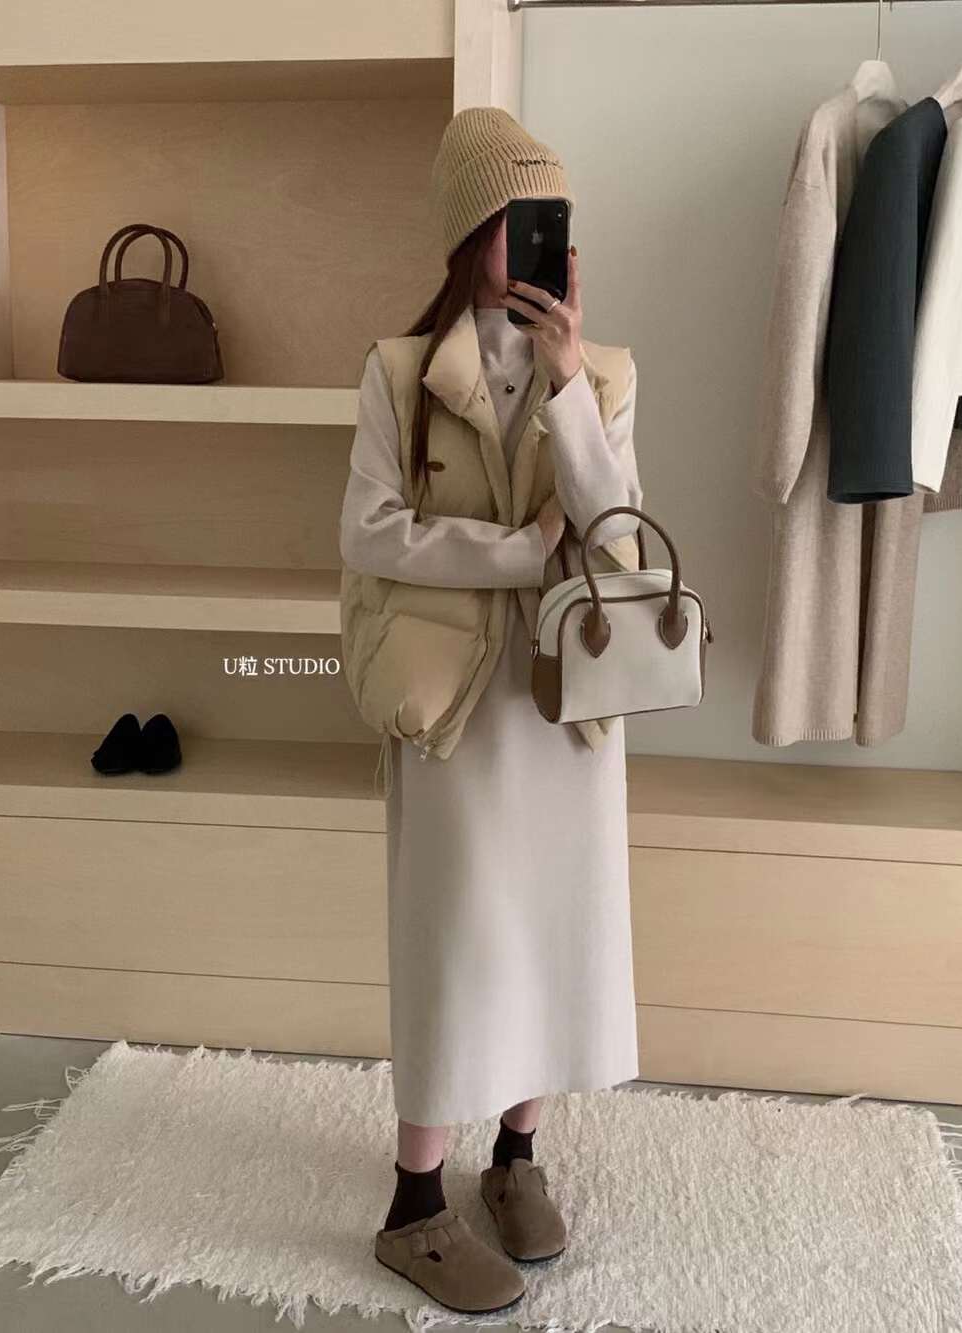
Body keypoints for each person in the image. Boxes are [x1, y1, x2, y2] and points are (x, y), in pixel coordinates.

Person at [338, 105, 643, 1315]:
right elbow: (370, 534)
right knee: (454, 938)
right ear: (471, 233)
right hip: (453, 705)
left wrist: (568, 386)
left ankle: (515, 1156)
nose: (541, 243)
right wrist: (518, 554)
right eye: (520, 219)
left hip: (567, 702)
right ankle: (413, 1203)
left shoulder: (605, 374)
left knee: (551, 931)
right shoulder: (396, 372)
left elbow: (616, 541)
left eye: (552, 219)